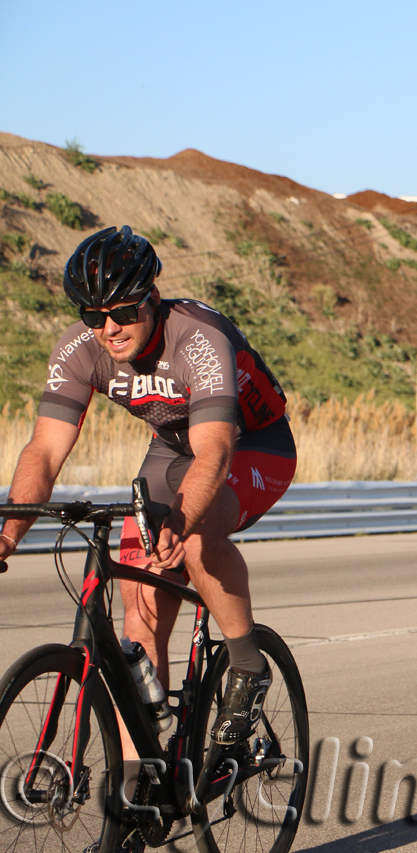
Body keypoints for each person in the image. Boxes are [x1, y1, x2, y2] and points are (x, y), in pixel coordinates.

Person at [0, 226, 295, 746]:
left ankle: (248, 666)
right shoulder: (77, 349)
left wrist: (180, 520)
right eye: (94, 317)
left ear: (152, 299)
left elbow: (216, 452)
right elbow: (44, 451)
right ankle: (145, 782)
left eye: (123, 312)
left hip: (252, 444)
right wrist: (8, 533)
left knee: (197, 538)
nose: (109, 328)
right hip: (173, 448)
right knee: (139, 615)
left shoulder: (199, 340)